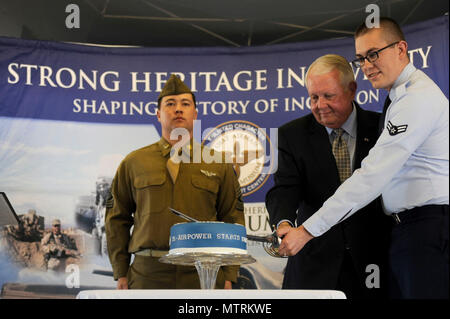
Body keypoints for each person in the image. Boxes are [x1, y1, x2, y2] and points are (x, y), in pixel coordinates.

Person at [277, 18, 449, 299]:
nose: (367, 65)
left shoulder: (415, 99)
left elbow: (372, 177)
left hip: (427, 228)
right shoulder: (400, 97)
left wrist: (307, 230)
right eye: (361, 58)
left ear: (401, 49)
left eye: (374, 54)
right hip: (412, 231)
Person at [265, 54, 390, 299]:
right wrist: (284, 223)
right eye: (313, 97)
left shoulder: (382, 129)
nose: (320, 105)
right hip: (314, 264)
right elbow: (285, 189)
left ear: (351, 89)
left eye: (328, 96)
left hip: (374, 262)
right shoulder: (290, 135)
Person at [105, 74, 244, 289]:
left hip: (202, 273)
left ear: (195, 114)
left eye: (185, 104)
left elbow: (232, 218)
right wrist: (120, 271)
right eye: (170, 104)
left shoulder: (219, 163)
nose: (178, 109)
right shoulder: (133, 163)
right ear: (158, 114)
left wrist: (228, 274)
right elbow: (117, 219)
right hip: (147, 273)